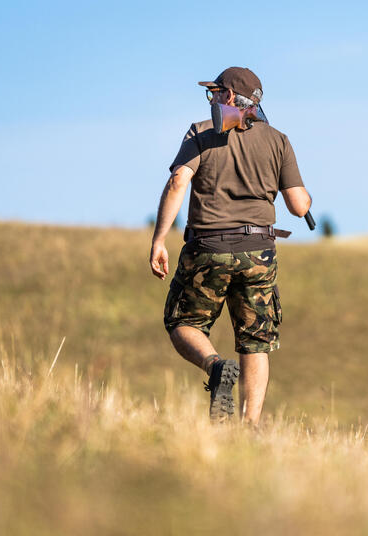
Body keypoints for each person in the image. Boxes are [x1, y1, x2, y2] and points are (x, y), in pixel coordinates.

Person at [149, 67, 311, 425]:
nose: (211, 100)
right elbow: (299, 206)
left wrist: (159, 239)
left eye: (215, 92)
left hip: (207, 246)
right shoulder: (278, 140)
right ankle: (250, 425)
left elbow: (178, 181)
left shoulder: (201, 133)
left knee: (183, 322)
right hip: (259, 250)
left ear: (230, 97)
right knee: (255, 340)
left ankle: (216, 366)